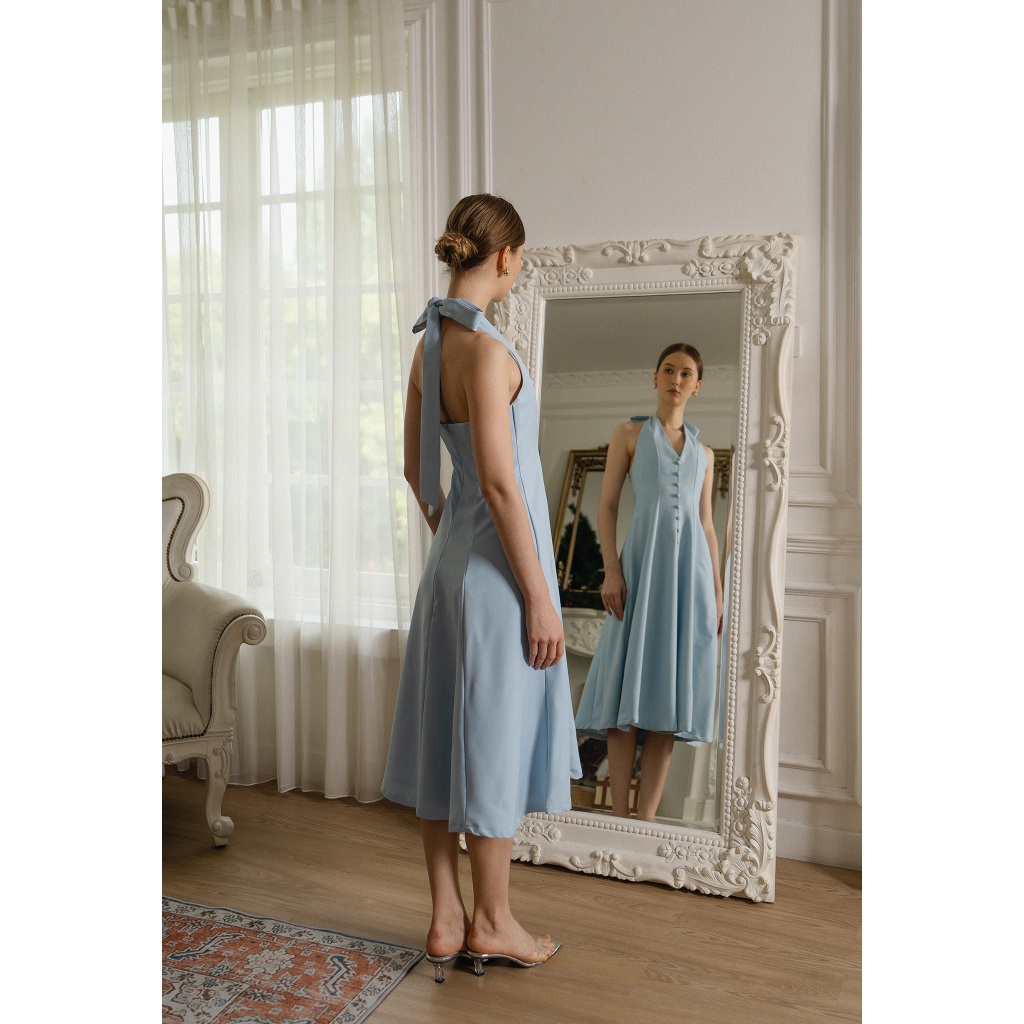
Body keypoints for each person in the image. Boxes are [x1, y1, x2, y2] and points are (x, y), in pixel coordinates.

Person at [380, 194, 582, 982]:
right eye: (521, 255)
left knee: (442, 738)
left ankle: (445, 918)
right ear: (504, 257)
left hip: (449, 572)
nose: (520, 266)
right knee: (493, 743)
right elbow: (502, 484)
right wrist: (538, 596)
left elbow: (417, 472)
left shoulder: (429, 347)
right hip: (501, 578)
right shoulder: (490, 352)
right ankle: (493, 922)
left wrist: (452, 543)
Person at [573, 343, 723, 822]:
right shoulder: (629, 434)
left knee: (670, 701)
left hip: (690, 583)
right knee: (626, 691)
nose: (676, 379)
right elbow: (607, 506)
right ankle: (620, 815)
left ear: (697, 386)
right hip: (639, 571)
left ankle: (647, 821)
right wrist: (611, 570)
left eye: (686, 374)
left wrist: (717, 593)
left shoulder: (705, 454)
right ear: (655, 377)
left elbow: (706, 525)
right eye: (668, 370)